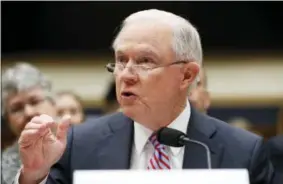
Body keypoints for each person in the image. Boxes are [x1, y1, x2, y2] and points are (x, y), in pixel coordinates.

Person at [14, 9, 273, 184]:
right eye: (120, 61)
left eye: (145, 61)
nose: (126, 75)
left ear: (186, 76)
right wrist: (34, 176)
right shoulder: (78, 145)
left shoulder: (243, 152)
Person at [1, 62, 57, 184]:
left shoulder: (81, 145)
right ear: (7, 120)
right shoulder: (2, 166)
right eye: (16, 108)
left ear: (53, 103)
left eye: (35, 101)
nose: (28, 112)